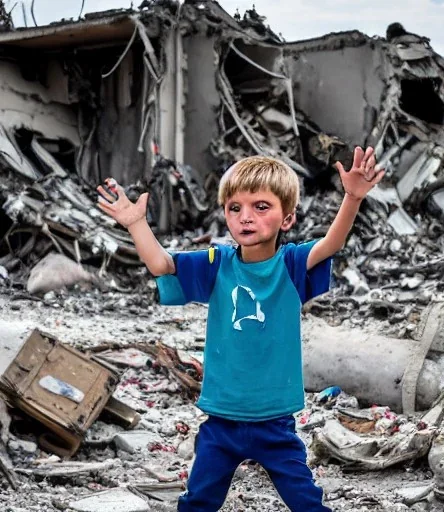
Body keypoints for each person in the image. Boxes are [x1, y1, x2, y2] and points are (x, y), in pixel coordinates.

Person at [96, 147, 385, 511]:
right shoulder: (217, 264)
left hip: (275, 422)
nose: (245, 217)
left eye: (261, 207)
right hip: (222, 422)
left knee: (307, 502)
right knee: (198, 500)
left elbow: (332, 244)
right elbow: (162, 264)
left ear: (288, 219)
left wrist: (352, 197)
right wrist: (135, 222)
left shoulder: (292, 264)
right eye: (235, 208)